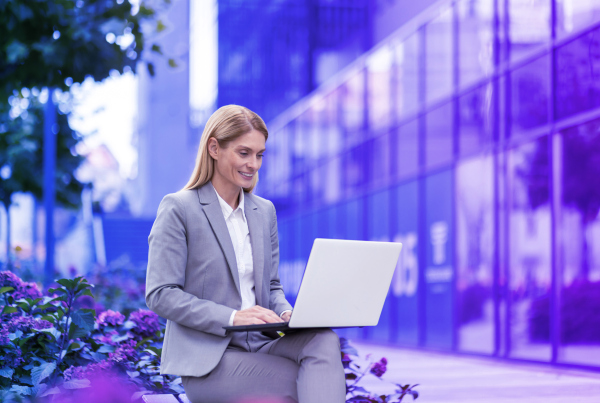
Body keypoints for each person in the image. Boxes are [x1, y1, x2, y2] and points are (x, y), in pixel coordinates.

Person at [145, 105, 346, 403]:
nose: (254, 164)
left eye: (260, 154)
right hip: (211, 359)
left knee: (324, 341)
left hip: (262, 344)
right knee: (312, 383)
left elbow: (272, 287)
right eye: (244, 153)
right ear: (214, 148)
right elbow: (161, 293)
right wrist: (233, 317)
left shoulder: (264, 212)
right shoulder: (179, 208)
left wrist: (286, 313)